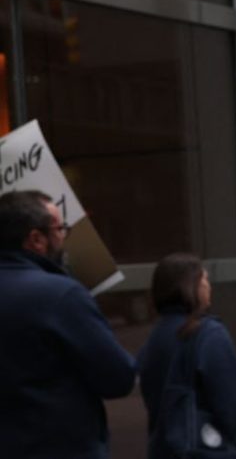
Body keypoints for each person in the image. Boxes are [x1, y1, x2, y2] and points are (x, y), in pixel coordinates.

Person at [0, 189, 137, 458]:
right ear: (36, 239)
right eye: (60, 229)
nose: (64, 237)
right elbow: (118, 379)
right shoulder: (60, 295)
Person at [137, 253, 236, 458]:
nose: (209, 287)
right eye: (204, 280)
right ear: (190, 286)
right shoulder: (208, 335)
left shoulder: (153, 340)